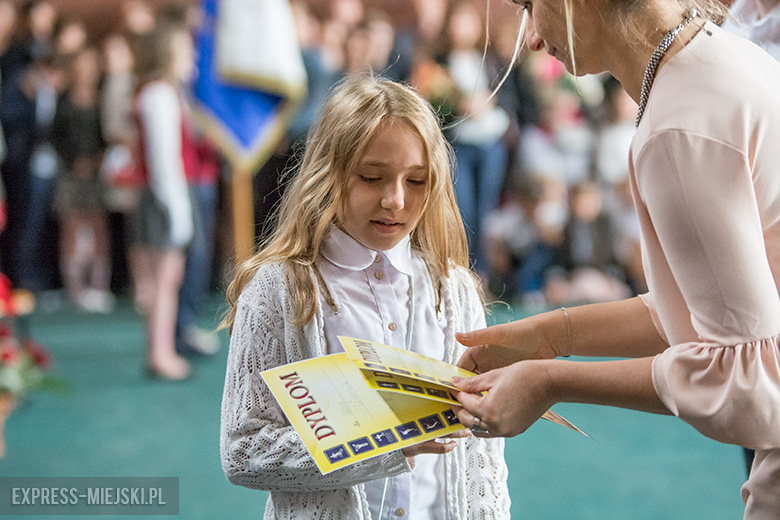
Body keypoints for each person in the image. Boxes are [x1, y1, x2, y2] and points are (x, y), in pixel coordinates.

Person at [449, 0, 780, 518]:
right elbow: (703, 310)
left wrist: (553, 380)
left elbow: (746, 381)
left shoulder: (677, 124)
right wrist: (551, 335)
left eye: (532, 7)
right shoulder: (719, 58)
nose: (531, 37)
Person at [220, 74, 510, 520]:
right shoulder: (281, 288)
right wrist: (382, 441)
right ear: (329, 173)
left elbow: (481, 459)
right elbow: (243, 450)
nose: (395, 200)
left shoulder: (454, 289)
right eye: (372, 178)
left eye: (417, 181)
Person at [133, 22, 196, 380]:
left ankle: (159, 349)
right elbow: (163, 159)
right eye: (185, 50)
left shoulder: (158, 92)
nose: (192, 57)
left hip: (159, 193)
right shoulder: (160, 95)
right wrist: (177, 208)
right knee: (164, 277)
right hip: (163, 195)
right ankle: (161, 352)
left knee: (164, 277)